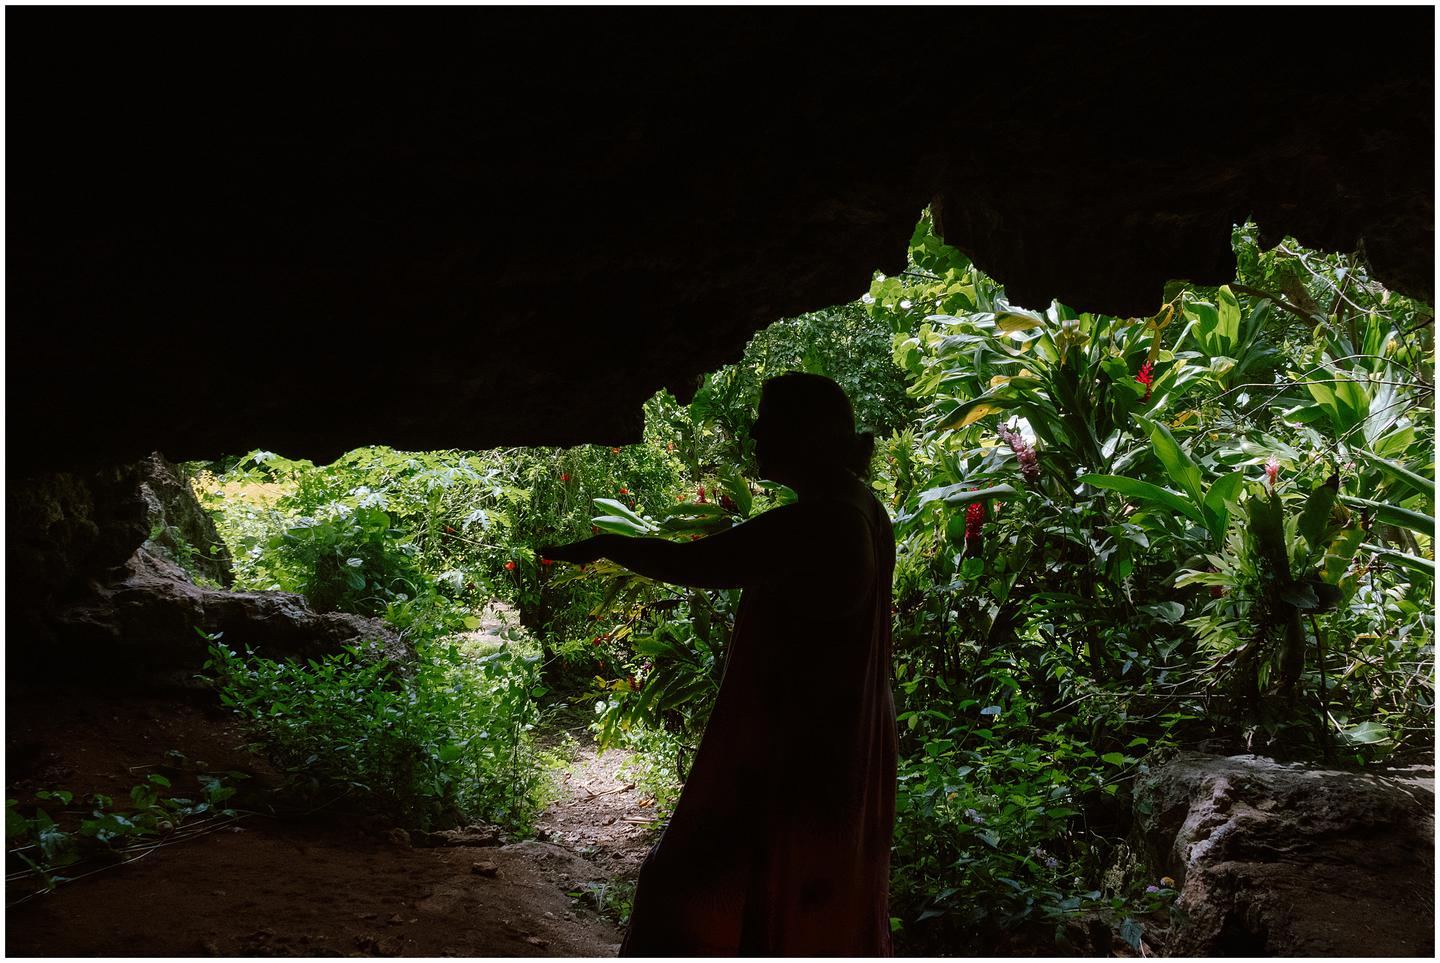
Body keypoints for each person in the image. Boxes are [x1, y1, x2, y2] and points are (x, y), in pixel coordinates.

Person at [542, 372, 898, 956]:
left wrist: (608, 544)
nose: (755, 431)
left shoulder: (823, 521)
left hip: (801, 751)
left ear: (805, 434)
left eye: (770, 419)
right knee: (812, 905)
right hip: (839, 742)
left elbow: (704, 563)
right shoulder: (858, 509)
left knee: (701, 890)